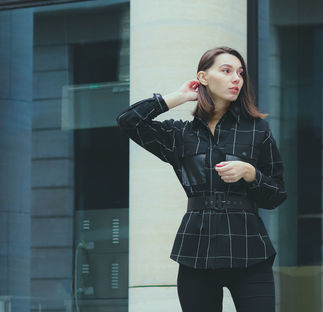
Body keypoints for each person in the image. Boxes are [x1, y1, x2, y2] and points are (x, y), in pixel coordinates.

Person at [115, 46, 287, 312]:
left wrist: (251, 174)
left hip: (250, 249)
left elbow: (277, 194)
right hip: (196, 249)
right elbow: (128, 121)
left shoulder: (258, 130)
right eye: (227, 71)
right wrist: (179, 96)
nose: (236, 79)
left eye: (240, 73)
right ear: (203, 78)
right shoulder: (179, 134)